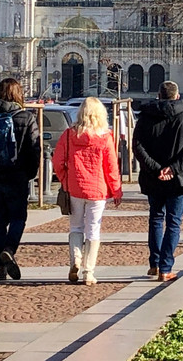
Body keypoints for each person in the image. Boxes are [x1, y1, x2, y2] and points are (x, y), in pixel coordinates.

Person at [0, 77, 42, 281]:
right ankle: (10, 250)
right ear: (18, 94)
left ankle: (0, 268)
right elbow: (34, 149)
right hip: (17, 177)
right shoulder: (26, 117)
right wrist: (29, 174)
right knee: (19, 218)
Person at [132, 80, 183, 282]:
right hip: (178, 178)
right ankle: (165, 267)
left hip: (153, 177)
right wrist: (174, 168)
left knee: (155, 218)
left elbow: (138, 146)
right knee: (173, 222)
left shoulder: (146, 116)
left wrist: (155, 169)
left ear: (159, 95)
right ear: (177, 96)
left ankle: (154, 263)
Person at [53, 97, 123, 285]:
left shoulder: (69, 135)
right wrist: (116, 190)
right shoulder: (105, 137)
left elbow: (57, 161)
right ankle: (88, 271)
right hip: (98, 190)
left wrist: (65, 179)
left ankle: (75, 260)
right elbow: (111, 167)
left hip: (75, 187)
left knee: (76, 227)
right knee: (93, 229)